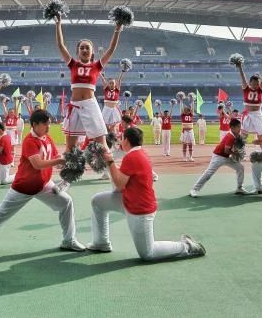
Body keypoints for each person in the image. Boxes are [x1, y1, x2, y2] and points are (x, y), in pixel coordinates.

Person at [0, 109, 85, 254]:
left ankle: (68, 240)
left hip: (43, 185)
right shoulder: (29, 141)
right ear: (34, 124)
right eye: (45, 124)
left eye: (49, 124)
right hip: (23, 187)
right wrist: (59, 160)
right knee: (0, 215)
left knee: (66, 202)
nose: (49, 127)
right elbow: (38, 164)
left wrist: (68, 164)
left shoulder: (48, 138)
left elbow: (55, 158)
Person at [87, 126, 206, 260]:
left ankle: (187, 246)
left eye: (122, 139)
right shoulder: (137, 154)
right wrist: (109, 163)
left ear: (126, 140)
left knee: (147, 254)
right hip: (129, 200)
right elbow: (123, 176)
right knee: (98, 202)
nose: (120, 142)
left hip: (140, 210)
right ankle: (101, 242)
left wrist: (110, 162)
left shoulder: (132, 157)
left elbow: (120, 184)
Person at [54, 12, 122, 155]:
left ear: (92, 52)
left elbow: (111, 50)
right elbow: (60, 45)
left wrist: (117, 30)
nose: (84, 50)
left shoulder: (97, 66)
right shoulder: (72, 64)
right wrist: (58, 24)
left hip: (90, 104)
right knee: (70, 147)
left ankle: (109, 171)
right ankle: (68, 177)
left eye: (87, 48)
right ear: (78, 52)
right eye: (82, 48)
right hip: (74, 106)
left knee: (101, 143)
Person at [189, 118, 247, 196]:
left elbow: (241, 140)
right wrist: (235, 153)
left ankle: (239, 188)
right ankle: (194, 189)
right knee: (209, 173)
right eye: (238, 127)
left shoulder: (236, 135)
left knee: (240, 168)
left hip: (226, 157)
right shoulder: (231, 137)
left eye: (240, 126)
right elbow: (226, 151)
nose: (240, 129)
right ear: (232, 128)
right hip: (218, 156)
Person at [233, 59, 262, 144]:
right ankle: (239, 152)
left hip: (258, 114)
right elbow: (243, 77)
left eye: (257, 84)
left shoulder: (260, 89)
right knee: (243, 136)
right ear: (250, 83)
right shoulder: (246, 88)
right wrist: (240, 67)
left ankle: (259, 151)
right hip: (247, 113)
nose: (255, 85)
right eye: (253, 84)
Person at [100, 70, 125, 137]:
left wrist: (122, 72)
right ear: (108, 84)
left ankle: (112, 137)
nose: (111, 84)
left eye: (113, 83)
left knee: (114, 125)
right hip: (107, 108)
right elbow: (102, 79)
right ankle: (106, 135)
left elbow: (119, 80)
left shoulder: (117, 90)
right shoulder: (106, 89)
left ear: (115, 84)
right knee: (104, 124)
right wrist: (99, 72)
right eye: (110, 83)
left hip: (114, 109)